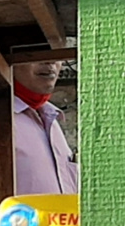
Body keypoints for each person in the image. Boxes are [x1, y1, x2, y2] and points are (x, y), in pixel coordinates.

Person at [9, 56, 79, 195]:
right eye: (38, 52)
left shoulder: (52, 120)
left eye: (56, 53)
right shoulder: (0, 122)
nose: (50, 61)